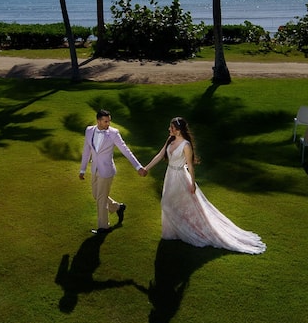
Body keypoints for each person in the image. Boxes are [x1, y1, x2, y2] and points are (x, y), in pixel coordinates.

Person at [141, 117, 265, 254]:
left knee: (167, 203)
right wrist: (146, 168)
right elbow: (160, 155)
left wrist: (192, 184)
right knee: (170, 204)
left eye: (171, 128)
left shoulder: (186, 145)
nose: (169, 129)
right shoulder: (170, 140)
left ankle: (187, 230)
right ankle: (174, 232)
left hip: (180, 177)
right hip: (169, 175)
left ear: (179, 129)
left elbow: (190, 165)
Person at [79, 109, 146, 234]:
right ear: (98, 121)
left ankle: (103, 227)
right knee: (96, 195)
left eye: (109, 121)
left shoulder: (114, 133)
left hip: (106, 171)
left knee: (101, 199)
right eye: (105, 121)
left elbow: (125, 150)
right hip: (94, 169)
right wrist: (82, 169)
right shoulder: (89, 131)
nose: (108, 124)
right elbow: (86, 150)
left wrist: (138, 167)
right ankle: (118, 207)